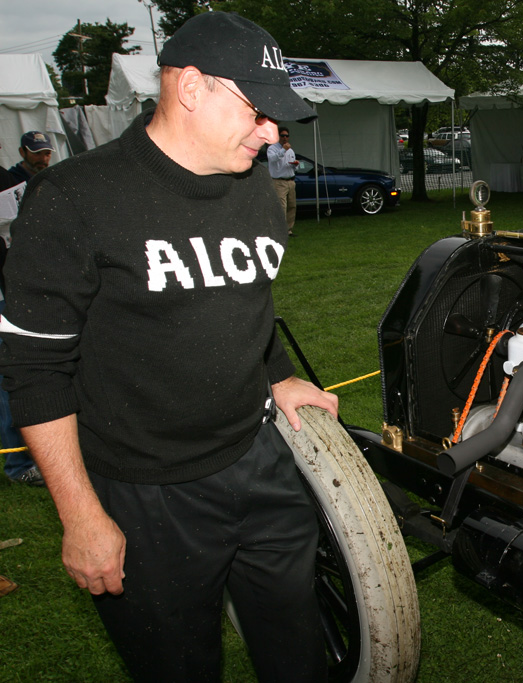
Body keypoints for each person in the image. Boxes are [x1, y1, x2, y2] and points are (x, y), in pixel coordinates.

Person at [0, 11, 337, 682]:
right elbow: (35, 367)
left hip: (261, 467)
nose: (272, 133)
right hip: (144, 498)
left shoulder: (256, 196)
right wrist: (81, 513)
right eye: (258, 111)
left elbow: (245, 303)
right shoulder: (73, 197)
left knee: (302, 654)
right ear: (190, 88)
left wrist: (279, 374)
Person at [0, 137, 40, 485]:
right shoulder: (10, 181)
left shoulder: (11, 183)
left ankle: (20, 462)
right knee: (10, 378)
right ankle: (17, 464)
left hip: (8, 289)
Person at [267, 125, 299, 235]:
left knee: (292, 205)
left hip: (290, 181)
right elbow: (273, 159)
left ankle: (288, 229)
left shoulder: (291, 150)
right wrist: (283, 150)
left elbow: (292, 165)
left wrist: (296, 165)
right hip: (279, 181)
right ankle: (279, 230)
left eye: (287, 136)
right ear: (278, 136)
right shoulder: (272, 148)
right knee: (281, 206)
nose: (285, 138)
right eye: (282, 136)